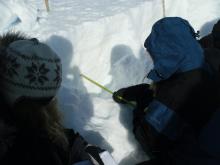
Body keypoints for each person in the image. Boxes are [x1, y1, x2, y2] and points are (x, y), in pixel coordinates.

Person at [112, 17, 220, 165]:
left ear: (166, 53)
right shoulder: (210, 58)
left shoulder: (174, 94)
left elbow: (149, 139)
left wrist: (141, 104)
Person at [0, 32, 116, 165]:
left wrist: (76, 146)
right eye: (48, 99)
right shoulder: (22, 150)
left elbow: (46, 129)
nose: (53, 102)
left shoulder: (16, 120)